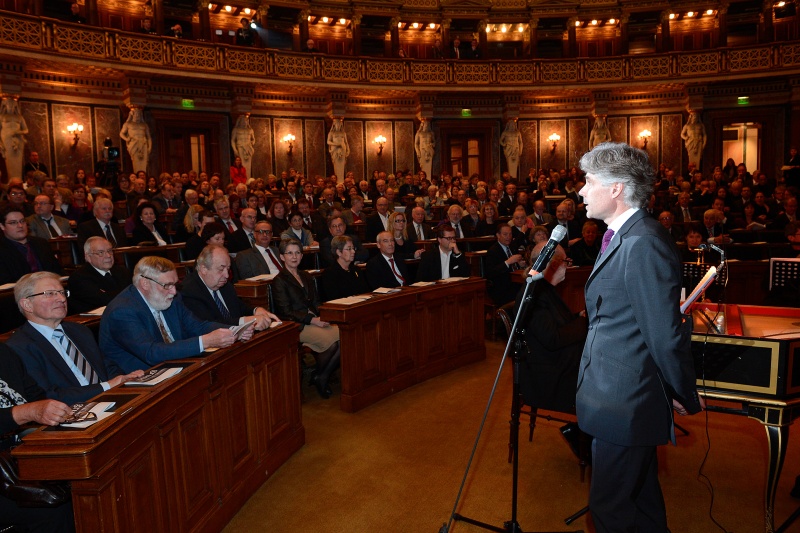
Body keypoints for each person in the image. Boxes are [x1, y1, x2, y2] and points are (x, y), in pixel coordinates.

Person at [575, 142, 702, 533]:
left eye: (589, 181)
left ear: (616, 189)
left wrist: (681, 390)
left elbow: (663, 334)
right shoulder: (622, 234)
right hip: (619, 393)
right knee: (641, 500)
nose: (581, 191)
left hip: (625, 398)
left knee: (610, 508)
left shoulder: (642, 241)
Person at [8, 271, 143, 404]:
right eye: (49, 294)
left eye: (62, 292)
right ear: (27, 304)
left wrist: (123, 379)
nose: (61, 299)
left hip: (111, 400)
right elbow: (47, 396)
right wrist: (107, 386)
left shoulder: (79, 330)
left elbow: (106, 366)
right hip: (72, 413)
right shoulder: (19, 347)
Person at [100, 256, 251, 373]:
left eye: (174, 284)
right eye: (167, 285)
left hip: (172, 367)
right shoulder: (122, 311)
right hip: (137, 379)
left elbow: (198, 326)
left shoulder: (171, 298)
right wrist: (205, 342)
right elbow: (151, 353)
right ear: (145, 284)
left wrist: (233, 330)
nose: (173, 291)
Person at [0, 343, 76, 533]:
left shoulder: (4, 352)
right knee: (52, 508)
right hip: (6, 472)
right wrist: (25, 413)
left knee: (91, 477)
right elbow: (30, 409)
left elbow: (36, 396)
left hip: (23, 454)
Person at [272, 239, 340, 399]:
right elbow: (286, 311)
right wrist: (312, 320)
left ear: (302, 256)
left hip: (315, 320)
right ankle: (322, 376)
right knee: (331, 343)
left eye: (297, 252)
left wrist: (323, 315)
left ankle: (320, 375)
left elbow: (316, 302)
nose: (294, 256)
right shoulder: (279, 280)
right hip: (297, 325)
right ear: (282, 256)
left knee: (344, 336)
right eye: (290, 253)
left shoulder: (306, 276)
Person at [181, 245, 277, 329]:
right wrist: (245, 321)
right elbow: (208, 324)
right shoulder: (190, 290)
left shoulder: (224, 285)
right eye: (221, 269)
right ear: (204, 269)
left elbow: (240, 307)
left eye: (228, 269)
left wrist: (256, 310)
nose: (227, 275)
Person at [67, 237, 131, 314]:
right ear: (88, 257)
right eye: (101, 252)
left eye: (110, 251)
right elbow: (105, 300)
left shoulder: (122, 271)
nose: (108, 255)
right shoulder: (79, 277)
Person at [0, 206, 62, 284]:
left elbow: (57, 271)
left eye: (22, 221)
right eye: (13, 222)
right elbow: (5, 281)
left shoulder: (41, 243)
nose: (20, 225)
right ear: (2, 226)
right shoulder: (2, 250)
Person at [485, 223, 526, 305]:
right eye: (505, 234)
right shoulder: (493, 250)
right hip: (501, 286)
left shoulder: (512, 247)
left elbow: (515, 266)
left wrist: (520, 264)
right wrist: (508, 262)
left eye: (510, 234)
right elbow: (491, 272)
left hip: (514, 282)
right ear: (498, 235)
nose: (508, 237)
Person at [320, 235, 370, 301]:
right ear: (339, 252)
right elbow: (334, 298)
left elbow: (365, 292)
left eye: (353, 248)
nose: (353, 251)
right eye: (349, 249)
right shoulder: (329, 273)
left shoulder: (356, 270)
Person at [0, 98, 29, 180]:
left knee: (18, 161)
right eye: (9, 105)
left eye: (13, 105)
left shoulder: (20, 117)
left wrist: (18, 132)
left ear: (15, 106)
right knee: (9, 160)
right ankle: (11, 180)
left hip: (18, 139)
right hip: (6, 139)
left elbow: (26, 130)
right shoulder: (1, 116)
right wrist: (0, 143)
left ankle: (18, 180)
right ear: (5, 106)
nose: (11, 107)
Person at [119, 108, 151, 174]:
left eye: (139, 115)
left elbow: (149, 137)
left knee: (144, 163)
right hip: (134, 144)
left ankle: (143, 176)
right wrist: (126, 139)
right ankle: (137, 175)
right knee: (136, 162)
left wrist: (150, 147)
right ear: (132, 115)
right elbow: (121, 134)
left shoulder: (144, 125)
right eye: (136, 115)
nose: (137, 116)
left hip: (143, 144)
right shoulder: (128, 124)